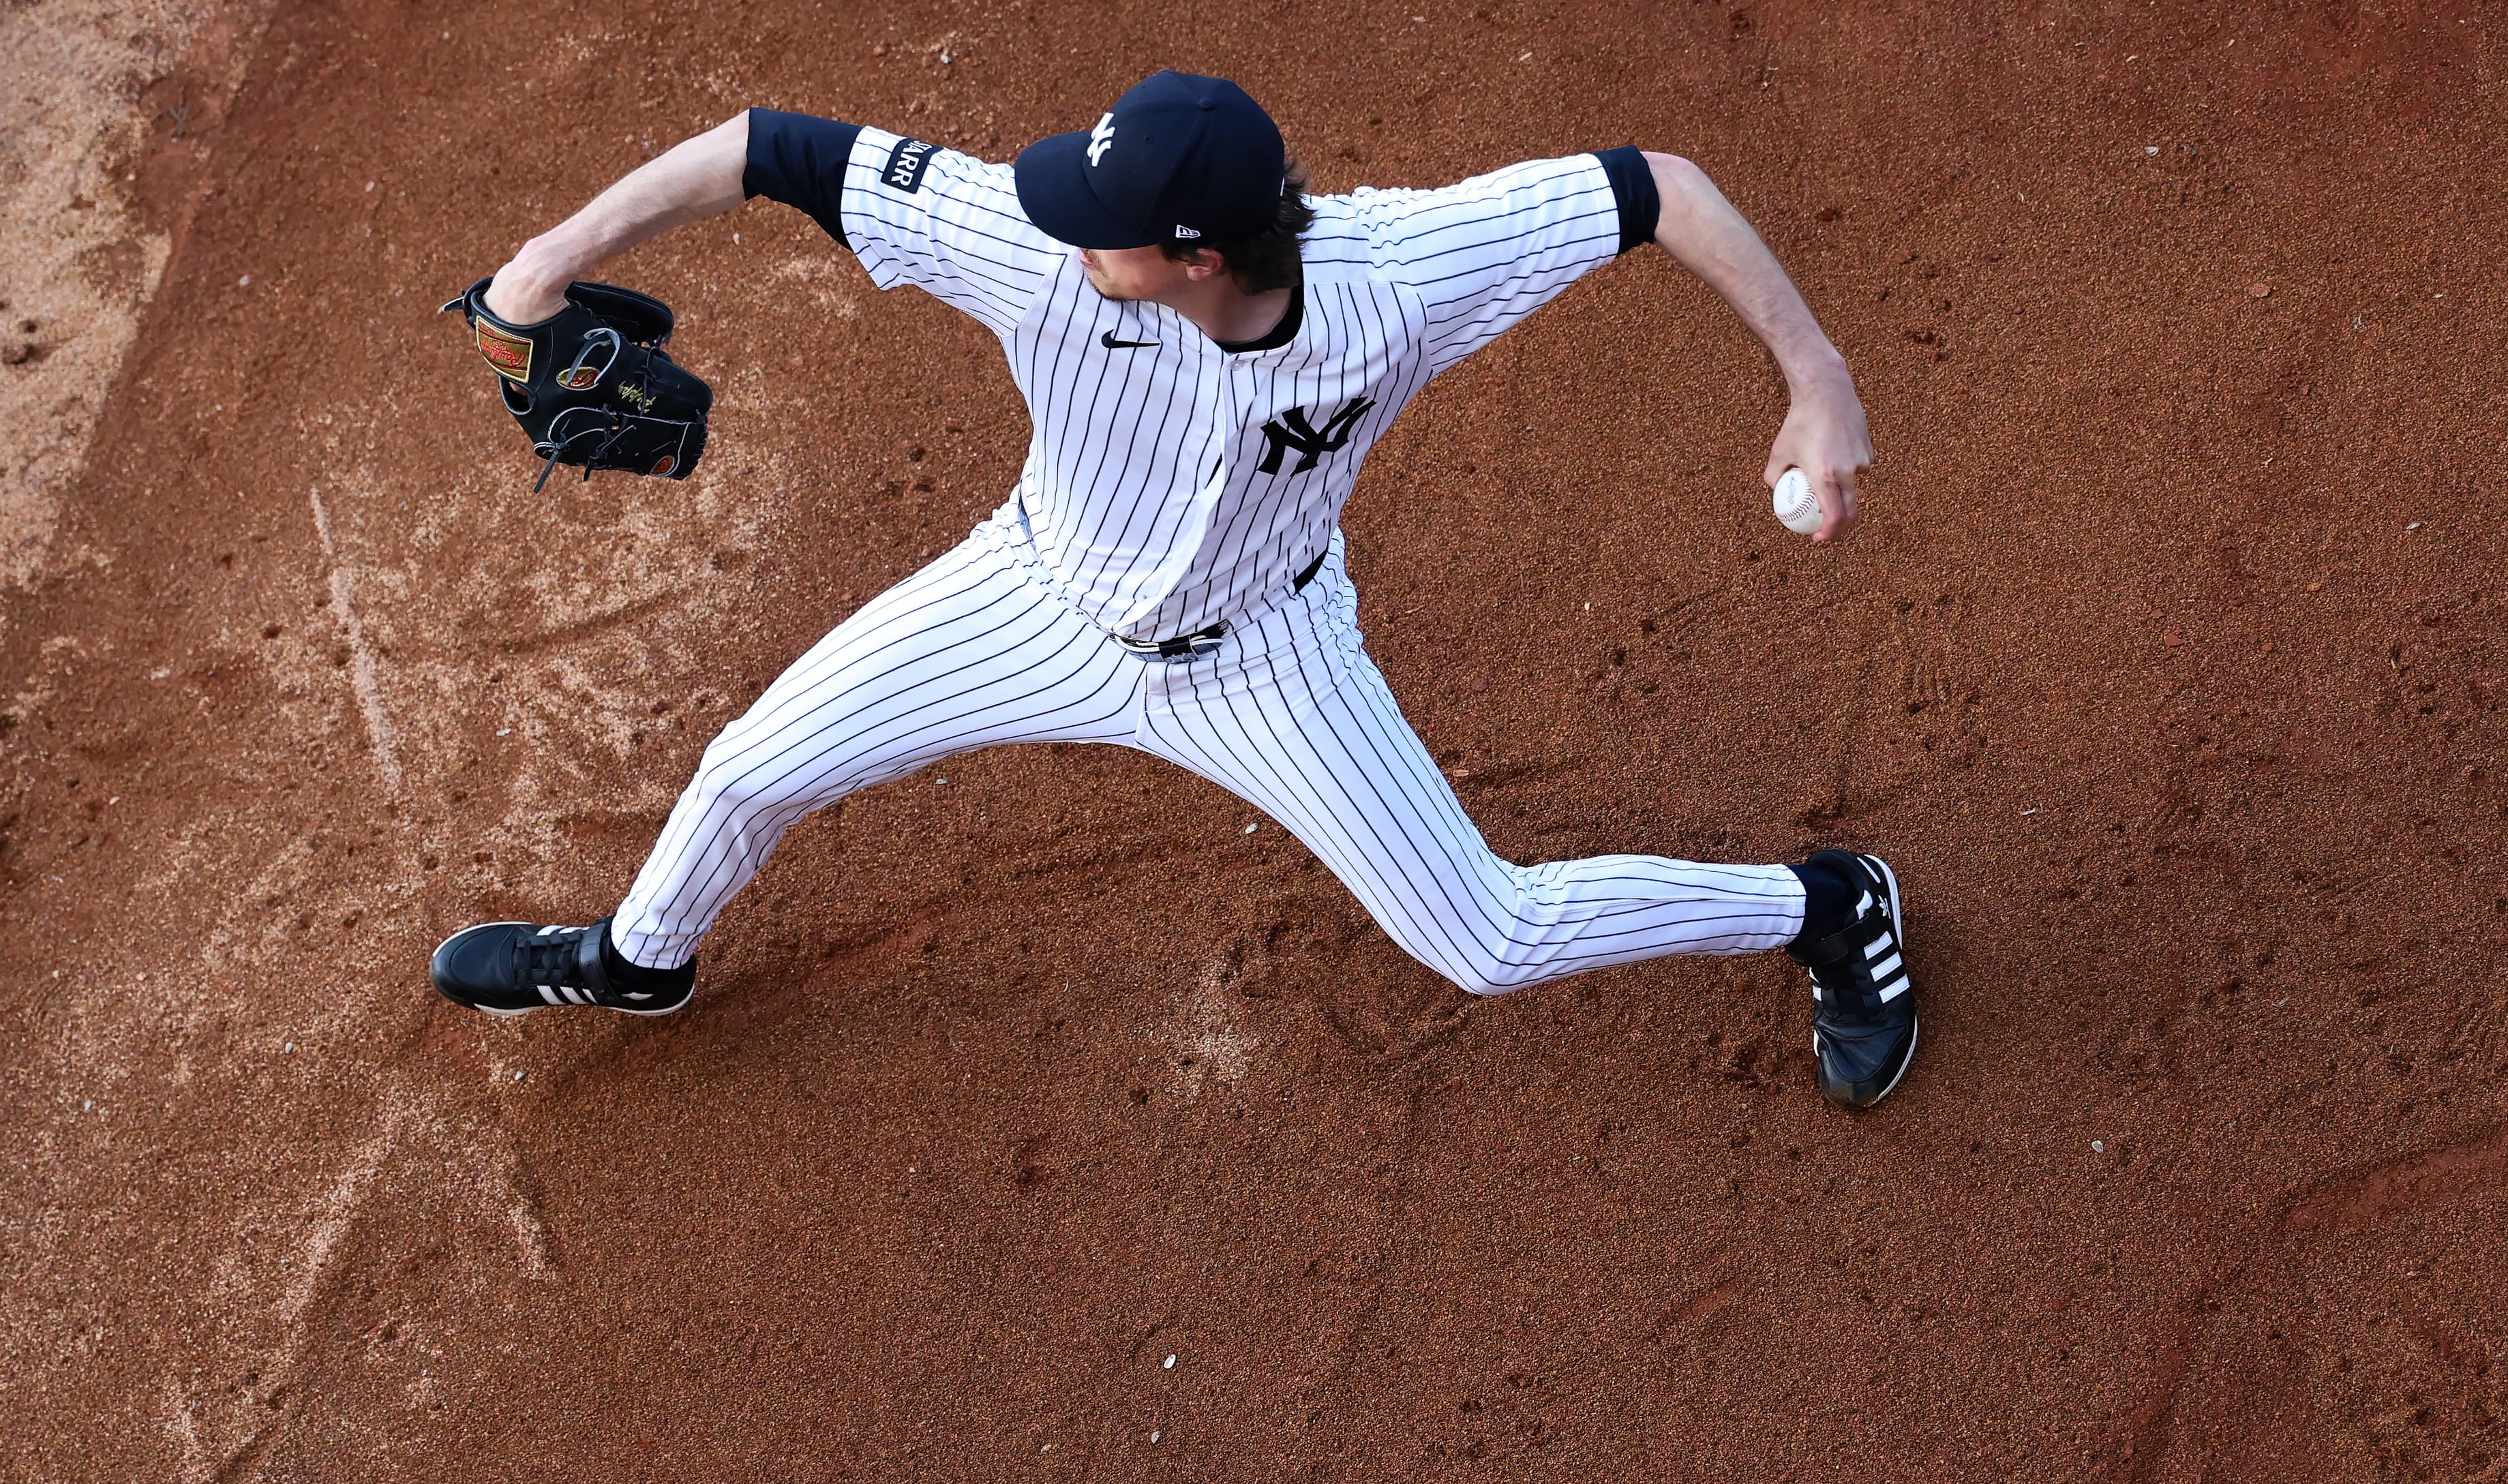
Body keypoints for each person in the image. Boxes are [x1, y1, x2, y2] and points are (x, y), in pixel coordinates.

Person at [428, 72, 1912, 1108]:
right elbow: (771, 149)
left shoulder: (1397, 272)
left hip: (1266, 661)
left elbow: (1660, 190)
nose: (1063, 230)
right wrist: (542, 263)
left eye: (1104, 224)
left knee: (1488, 938)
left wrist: (1814, 373)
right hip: (1028, 598)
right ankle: (638, 962)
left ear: (1199, 257)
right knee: (747, 771)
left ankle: (1826, 908)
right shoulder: (1028, 248)